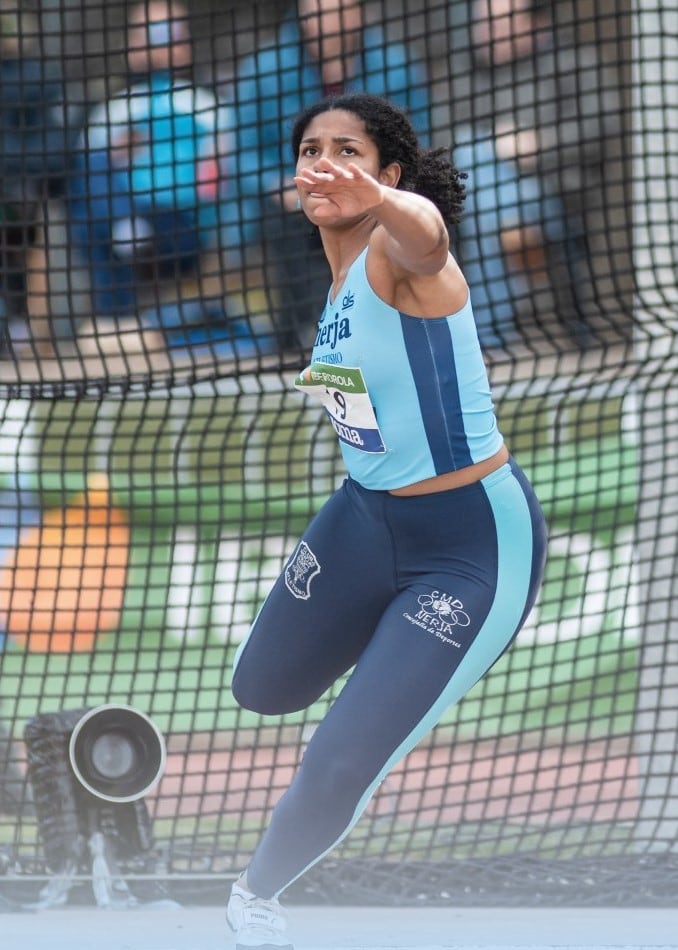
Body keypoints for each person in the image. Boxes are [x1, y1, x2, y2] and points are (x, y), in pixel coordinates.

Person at [225, 93, 548, 950]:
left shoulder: (402, 258)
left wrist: (382, 199)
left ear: (389, 173)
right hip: (362, 521)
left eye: (349, 152)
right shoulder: (332, 283)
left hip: (470, 542)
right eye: (310, 151)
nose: (322, 164)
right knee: (260, 688)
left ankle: (254, 900)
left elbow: (432, 236)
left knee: (336, 762)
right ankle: (388, 644)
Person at [226, 0, 430, 353]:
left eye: (342, 8)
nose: (328, 20)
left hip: (373, 198)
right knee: (291, 222)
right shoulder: (265, 69)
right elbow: (241, 155)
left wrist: (378, 187)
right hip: (297, 201)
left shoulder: (394, 65)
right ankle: (307, 336)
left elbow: (417, 142)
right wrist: (278, 184)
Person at [465, 0, 628, 345]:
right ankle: (490, 331)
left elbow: (604, 125)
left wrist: (539, 146)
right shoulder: (477, 74)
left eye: (497, 23)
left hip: (560, 190)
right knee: (476, 164)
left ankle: (487, 337)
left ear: (535, 23)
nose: (484, 33)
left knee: (485, 194)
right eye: (482, 23)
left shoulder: (572, 64)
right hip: (493, 191)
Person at [68, 0, 229, 341]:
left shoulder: (206, 106)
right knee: (91, 179)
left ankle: (122, 317)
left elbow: (221, 174)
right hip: (123, 216)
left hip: (183, 222)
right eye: (149, 33)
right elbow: (90, 173)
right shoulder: (113, 111)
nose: (158, 43)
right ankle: (119, 320)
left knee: (107, 215)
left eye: (167, 32)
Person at [0, 5, 69, 358]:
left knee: (26, 240)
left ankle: (28, 333)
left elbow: (54, 139)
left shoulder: (37, 75)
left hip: (26, 189)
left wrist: (27, 176)